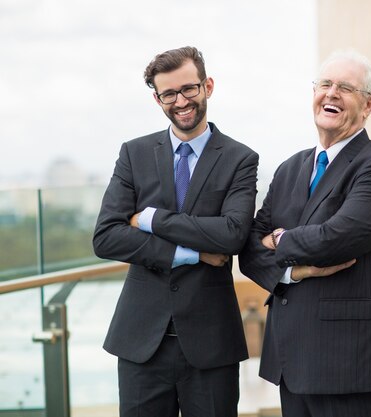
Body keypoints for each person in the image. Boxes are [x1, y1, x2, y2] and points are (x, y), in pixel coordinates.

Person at [238, 50, 371, 417]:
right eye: (325, 84)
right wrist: (293, 271)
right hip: (291, 362)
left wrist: (281, 240)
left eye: (346, 88)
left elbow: (339, 238)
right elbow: (250, 249)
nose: (331, 94)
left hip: (350, 365)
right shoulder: (288, 169)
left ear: (368, 105)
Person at [92, 46, 258, 417]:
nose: (180, 101)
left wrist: (150, 219)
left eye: (189, 89)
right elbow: (106, 236)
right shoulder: (134, 154)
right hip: (140, 342)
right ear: (157, 98)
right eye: (169, 94)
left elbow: (231, 234)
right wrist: (193, 253)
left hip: (211, 344)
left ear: (208, 86)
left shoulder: (240, 159)